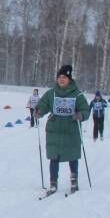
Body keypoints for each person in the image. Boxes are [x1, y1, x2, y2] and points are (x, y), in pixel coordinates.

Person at [34, 65, 88, 193]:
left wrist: (81, 115)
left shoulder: (77, 95)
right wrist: (39, 111)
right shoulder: (51, 93)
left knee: (73, 156)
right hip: (54, 130)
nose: (61, 79)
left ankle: (74, 182)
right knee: (54, 157)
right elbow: (43, 104)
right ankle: (53, 183)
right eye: (59, 77)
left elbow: (85, 109)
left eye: (64, 77)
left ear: (69, 79)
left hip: (71, 130)